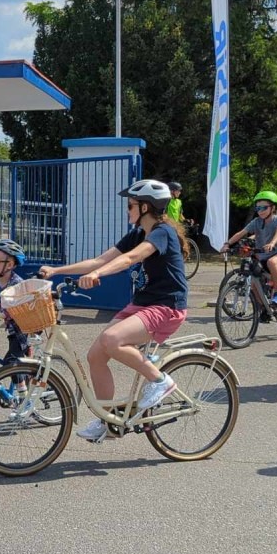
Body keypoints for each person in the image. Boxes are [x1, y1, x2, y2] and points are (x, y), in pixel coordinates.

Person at [36, 180, 189, 443]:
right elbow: (99, 260)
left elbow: (130, 259)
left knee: (112, 339)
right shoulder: (137, 234)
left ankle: (160, 381)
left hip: (167, 305)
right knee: (96, 355)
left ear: (145, 207)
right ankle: (108, 420)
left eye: (130, 205)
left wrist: (97, 275)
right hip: (144, 303)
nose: (127, 210)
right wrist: (57, 270)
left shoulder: (162, 232)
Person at [219, 191, 277, 305]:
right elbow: (241, 233)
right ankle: (263, 309)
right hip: (263, 254)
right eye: (258, 208)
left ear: (273, 208)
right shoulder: (256, 221)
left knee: (272, 262)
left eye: (264, 208)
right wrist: (227, 244)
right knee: (253, 283)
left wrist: (272, 243)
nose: (260, 211)